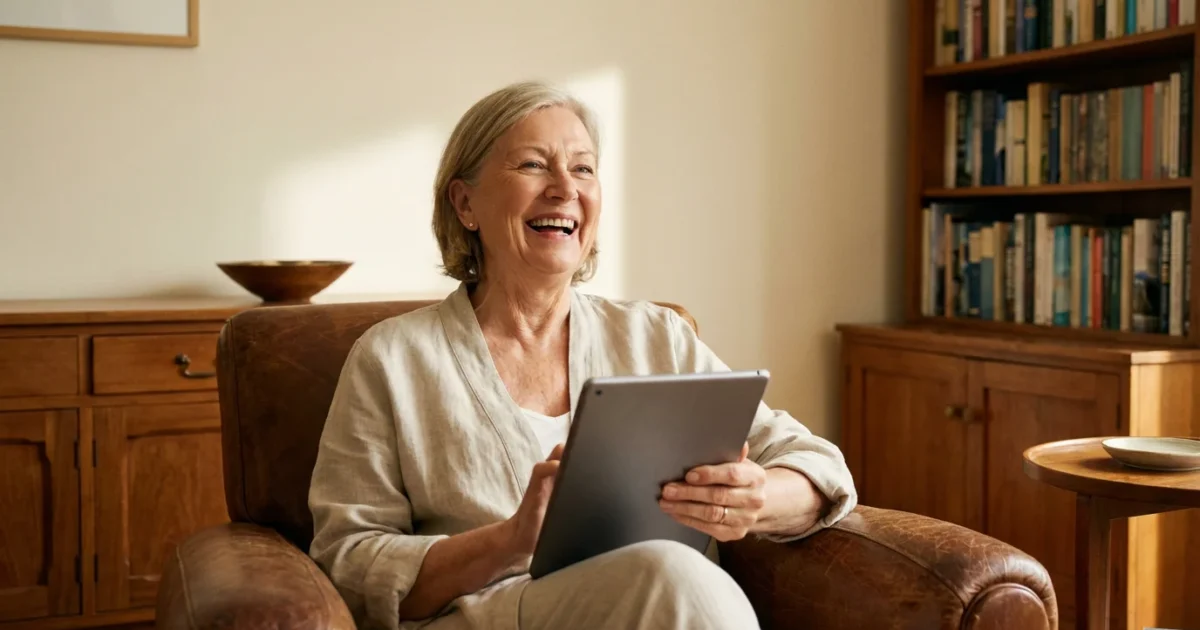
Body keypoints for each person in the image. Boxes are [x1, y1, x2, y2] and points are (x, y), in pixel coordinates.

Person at [307, 80, 858, 630]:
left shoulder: (655, 338)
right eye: (532, 165)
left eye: (584, 168)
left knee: (669, 574)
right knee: (667, 572)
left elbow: (818, 465)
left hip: (666, 612)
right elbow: (349, 567)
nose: (564, 188)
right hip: (492, 618)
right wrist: (506, 541)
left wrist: (754, 497)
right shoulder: (391, 359)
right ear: (465, 202)